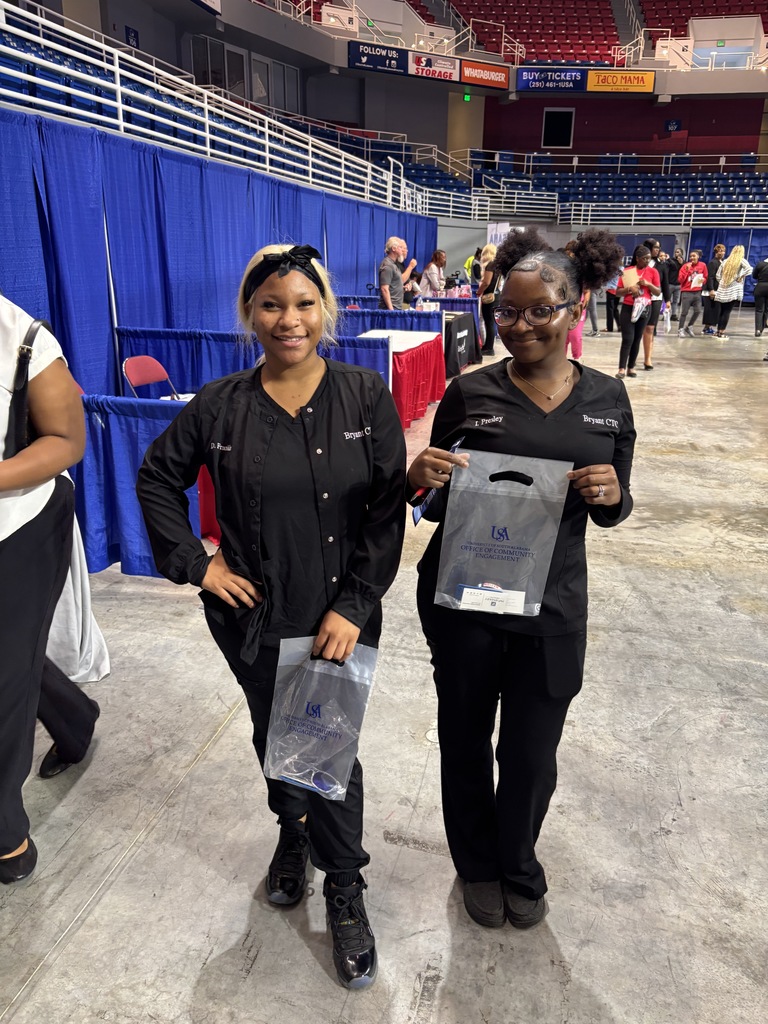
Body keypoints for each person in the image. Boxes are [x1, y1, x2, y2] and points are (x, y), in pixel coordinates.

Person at [136, 244, 406, 989]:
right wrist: (199, 564)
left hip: (337, 619)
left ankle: (344, 886)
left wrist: (354, 605)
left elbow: (387, 514)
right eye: (272, 305)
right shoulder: (221, 404)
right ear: (250, 314)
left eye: (304, 304)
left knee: (327, 751)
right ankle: (292, 834)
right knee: (273, 733)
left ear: (326, 309)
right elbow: (157, 477)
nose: (289, 320)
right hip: (252, 616)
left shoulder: (364, 396)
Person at [407, 226, 634, 931]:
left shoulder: (608, 399)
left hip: (553, 606)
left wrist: (612, 495)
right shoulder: (470, 393)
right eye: (508, 310)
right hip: (467, 601)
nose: (522, 324)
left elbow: (615, 507)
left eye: (541, 310)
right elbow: (433, 499)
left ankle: (518, 862)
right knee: (465, 739)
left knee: (533, 752)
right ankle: (476, 864)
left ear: (577, 308)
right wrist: (420, 478)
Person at [0, 295, 99, 884]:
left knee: (3, 674)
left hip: (22, 521)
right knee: (13, 660)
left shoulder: (24, 337)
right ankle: (74, 718)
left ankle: (6, 833)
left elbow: (67, 441)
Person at [615, 245, 661, 377]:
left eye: (649, 259)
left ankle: (631, 367)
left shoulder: (653, 272)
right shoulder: (628, 271)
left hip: (645, 308)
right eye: (644, 259)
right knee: (627, 338)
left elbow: (657, 292)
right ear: (637, 258)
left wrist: (648, 284)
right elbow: (617, 292)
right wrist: (630, 289)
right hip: (628, 307)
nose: (647, 261)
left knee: (636, 338)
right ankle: (621, 368)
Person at [713, 245, 752, 341]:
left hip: (722, 289)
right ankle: (722, 332)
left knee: (722, 311)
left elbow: (718, 275)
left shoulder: (725, 261)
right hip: (733, 290)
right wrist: (740, 277)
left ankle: (718, 331)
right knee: (727, 311)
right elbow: (749, 269)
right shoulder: (741, 260)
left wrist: (723, 282)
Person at [641, 238, 669, 369]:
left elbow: (665, 284)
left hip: (656, 299)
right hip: (640, 299)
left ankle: (648, 359)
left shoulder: (661, 265)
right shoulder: (639, 263)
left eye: (659, 247)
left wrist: (668, 300)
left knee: (651, 328)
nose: (658, 250)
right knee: (639, 329)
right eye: (655, 247)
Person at [476, 243, 501, 355]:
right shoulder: (498, 265)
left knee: (488, 322)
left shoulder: (490, 265)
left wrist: (479, 292)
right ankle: (488, 345)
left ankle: (489, 348)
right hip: (496, 295)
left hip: (489, 297)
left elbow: (486, 282)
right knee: (490, 322)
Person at [378, 237, 415, 310]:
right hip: (390, 309)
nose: (403, 250)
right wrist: (391, 310)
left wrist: (402, 289)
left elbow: (392, 286)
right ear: (393, 248)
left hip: (397, 307)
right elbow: (384, 289)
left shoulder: (394, 265)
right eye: (400, 247)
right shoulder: (387, 265)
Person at [677, 249, 707, 338]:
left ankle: (689, 326)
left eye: (694, 256)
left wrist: (703, 280)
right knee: (684, 312)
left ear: (698, 256)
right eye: (690, 256)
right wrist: (686, 270)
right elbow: (680, 280)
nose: (692, 258)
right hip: (686, 292)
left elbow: (705, 277)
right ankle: (680, 329)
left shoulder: (703, 265)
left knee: (698, 311)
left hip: (697, 291)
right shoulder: (685, 266)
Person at [702, 243, 726, 336]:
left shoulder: (721, 262)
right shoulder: (713, 262)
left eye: (723, 251)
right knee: (710, 309)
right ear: (716, 252)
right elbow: (710, 277)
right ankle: (707, 327)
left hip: (718, 289)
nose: (722, 252)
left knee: (715, 309)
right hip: (711, 290)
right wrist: (711, 289)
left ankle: (709, 326)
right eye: (720, 251)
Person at [752, 253, 768, 339]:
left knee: (759, 310)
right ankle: (762, 328)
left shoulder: (760, 264)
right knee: (767, 310)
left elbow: (754, 276)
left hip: (760, 287)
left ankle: (757, 330)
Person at [667, 247, 684, 321]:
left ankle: (674, 315)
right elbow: (674, 266)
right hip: (670, 284)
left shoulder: (684, 262)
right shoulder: (671, 261)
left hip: (678, 285)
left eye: (678, 252)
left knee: (676, 301)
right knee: (667, 300)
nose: (677, 253)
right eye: (676, 252)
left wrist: (682, 263)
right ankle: (666, 314)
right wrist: (669, 259)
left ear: (682, 253)